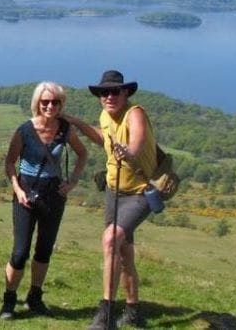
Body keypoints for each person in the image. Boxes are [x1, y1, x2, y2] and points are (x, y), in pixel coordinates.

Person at [65, 70, 156, 329]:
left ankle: (105, 314)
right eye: (104, 92)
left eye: (115, 91)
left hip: (140, 192)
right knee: (124, 252)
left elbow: (136, 142)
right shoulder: (105, 116)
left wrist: (128, 152)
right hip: (114, 193)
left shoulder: (134, 112)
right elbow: (101, 137)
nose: (109, 96)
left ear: (125, 92)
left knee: (110, 240)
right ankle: (133, 310)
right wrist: (75, 122)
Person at [0, 82, 88, 319]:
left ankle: (34, 297)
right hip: (26, 192)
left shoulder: (64, 129)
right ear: (37, 103)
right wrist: (17, 190)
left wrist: (72, 182)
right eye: (45, 102)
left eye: (55, 102)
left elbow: (83, 153)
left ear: (61, 104)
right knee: (20, 252)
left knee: (44, 249)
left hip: (54, 194)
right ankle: (9, 300)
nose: (50, 106)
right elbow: (9, 162)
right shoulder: (25, 130)